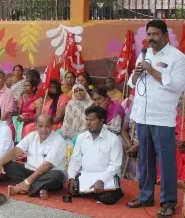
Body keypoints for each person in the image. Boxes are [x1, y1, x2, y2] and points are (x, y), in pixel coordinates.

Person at [126, 20, 185, 217]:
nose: (151, 38)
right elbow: (132, 83)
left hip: (162, 117)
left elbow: (177, 85)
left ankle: (168, 202)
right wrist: (136, 74)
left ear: (165, 35)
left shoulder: (177, 58)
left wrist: (151, 70)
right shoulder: (144, 54)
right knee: (145, 159)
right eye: (149, 34)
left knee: (166, 161)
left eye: (155, 34)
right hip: (142, 115)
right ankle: (145, 195)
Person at [0, 114, 66, 199]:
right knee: (8, 165)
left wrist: (27, 182)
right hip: (30, 171)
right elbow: (16, 152)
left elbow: (47, 166)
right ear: (36, 126)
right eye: (40, 126)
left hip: (47, 173)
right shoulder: (32, 136)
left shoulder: (59, 141)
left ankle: (21, 187)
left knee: (58, 176)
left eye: (47, 126)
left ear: (52, 126)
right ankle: (40, 188)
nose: (43, 130)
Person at [68, 105, 124, 205]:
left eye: (92, 120)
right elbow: (75, 159)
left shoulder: (113, 139)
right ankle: (95, 192)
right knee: (72, 190)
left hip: (107, 177)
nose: (88, 123)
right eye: (86, 119)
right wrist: (71, 177)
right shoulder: (82, 137)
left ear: (101, 120)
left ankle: (110, 191)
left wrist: (102, 180)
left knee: (107, 198)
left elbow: (115, 164)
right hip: (86, 176)